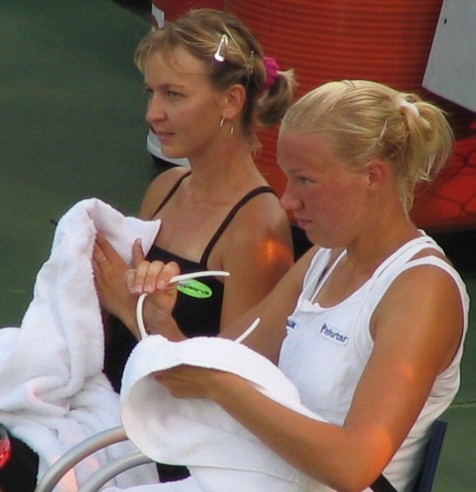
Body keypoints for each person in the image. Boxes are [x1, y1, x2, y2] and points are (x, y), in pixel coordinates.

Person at [125, 80, 469, 491]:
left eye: (305, 180)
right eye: (288, 179)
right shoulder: (324, 257)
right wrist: (161, 320)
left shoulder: (422, 290)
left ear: (372, 176)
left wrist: (220, 386)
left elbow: (354, 466)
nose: (287, 201)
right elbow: (222, 361)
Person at [93, 7, 295, 483]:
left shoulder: (258, 229)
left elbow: (231, 395)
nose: (152, 113)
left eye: (173, 95)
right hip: (112, 410)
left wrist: (129, 311)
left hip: (170, 449)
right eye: (151, 93)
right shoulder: (165, 188)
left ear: (230, 102)